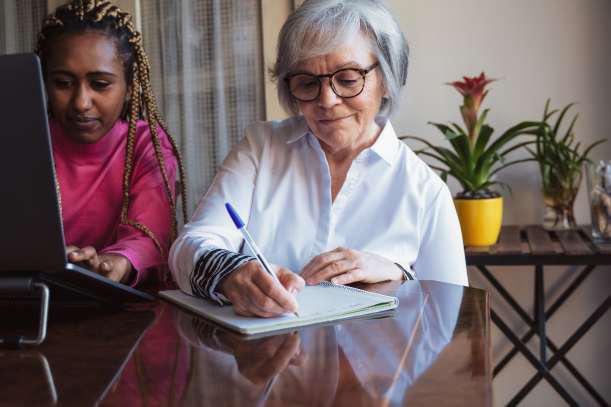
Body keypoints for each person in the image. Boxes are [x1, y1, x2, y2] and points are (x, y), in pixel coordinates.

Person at [169, 0, 467, 317]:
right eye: (307, 82)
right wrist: (230, 273)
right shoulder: (260, 148)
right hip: (262, 360)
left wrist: (400, 275)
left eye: (349, 79)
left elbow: (451, 318)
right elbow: (189, 248)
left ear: (387, 79)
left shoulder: (425, 191)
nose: (327, 100)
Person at [35, 0, 188, 286]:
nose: (81, 103)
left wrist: (110, 267)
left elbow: (147, 238)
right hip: (27, 302)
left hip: (118, 308)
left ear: (130, 88)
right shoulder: (24, 142)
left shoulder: (148, 144)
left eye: (100, 84)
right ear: (45, 83)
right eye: (64, 83)